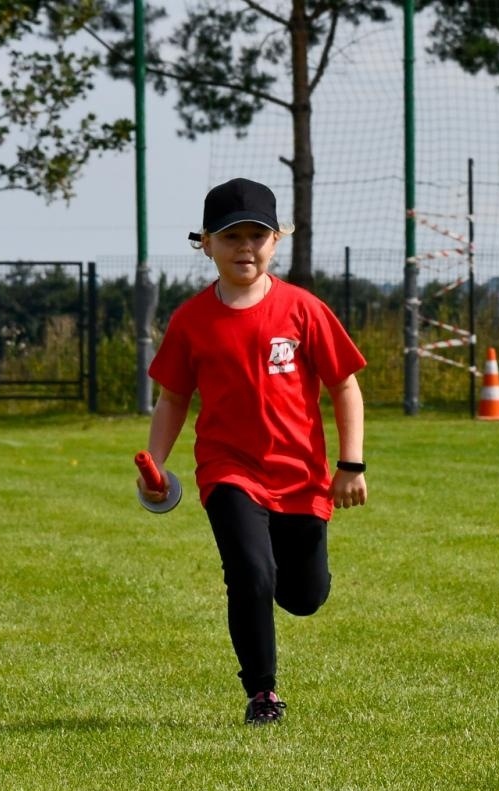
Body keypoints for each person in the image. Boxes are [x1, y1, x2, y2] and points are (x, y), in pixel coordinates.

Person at [140, 177, 368, 725]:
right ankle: (261, 692)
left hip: (301, 475)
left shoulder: (303, 310)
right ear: (206, 245)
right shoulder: (191, 321)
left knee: (304, 596)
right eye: (231, 236)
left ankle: (292, 587)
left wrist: (350, 463)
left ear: (276, 241)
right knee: (249, 573)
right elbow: (173, 399)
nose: (245, 247)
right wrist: (156, 464)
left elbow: (344, 386)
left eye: (256, 236)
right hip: (229, 471)